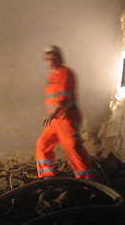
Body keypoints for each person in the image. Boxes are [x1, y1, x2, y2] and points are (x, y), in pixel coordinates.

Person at [35, 45, 94, 179]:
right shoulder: (52, 76)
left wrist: (54, 113)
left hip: (67, 118)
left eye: (53, 58)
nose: (50, 61)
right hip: (55, 121)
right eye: (48, 59)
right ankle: (48, 176)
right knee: (42, 145)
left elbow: (64, 98)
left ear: (59, 58)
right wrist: (53, 115)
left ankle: (86, 180)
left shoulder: (66, 73)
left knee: (72, 149)